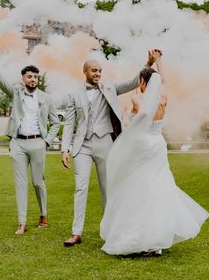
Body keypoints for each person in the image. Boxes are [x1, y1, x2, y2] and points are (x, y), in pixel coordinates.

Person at [100, 56, 209, 256]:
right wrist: (159, 63)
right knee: (158, 185)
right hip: (158, 144)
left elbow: (142, 116)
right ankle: (157, 241)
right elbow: (164, 82)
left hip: (141, 144)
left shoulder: (136, 98)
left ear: (142, 82)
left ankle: (137, 237)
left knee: (136, 185)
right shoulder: (164, 98)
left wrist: (130, 130)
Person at [60, 49, 161, 247]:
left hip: (106, 142)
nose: (97, 74)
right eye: (94, 71)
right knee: (81, 188)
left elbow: (134, 82)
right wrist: (65, 149)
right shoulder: (74, 95)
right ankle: (76, 232)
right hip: (82, 146)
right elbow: (69, 124)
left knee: (108, 188)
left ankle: (110, 230)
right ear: (85, 72)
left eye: (100, 71)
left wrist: (148, 63)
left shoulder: (110, 87)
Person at [0, 52, 60, 235]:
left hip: (37, 143)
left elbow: (56, 122)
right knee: (20, 183)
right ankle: (22, 222)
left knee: (38, 182)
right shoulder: (16, 92)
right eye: (30, 77)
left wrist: (46, 141)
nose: (33, 80)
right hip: (18, 143)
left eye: (35, 77)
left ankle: (43, 214)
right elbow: (1, 81)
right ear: (23, 78)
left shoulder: (46, 98)